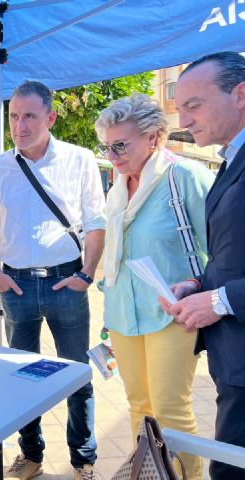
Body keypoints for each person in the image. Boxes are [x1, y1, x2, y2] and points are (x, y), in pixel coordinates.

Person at [0, 80, 105, 480]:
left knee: (76, 375)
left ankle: (83, 460)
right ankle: (31, 455)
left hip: (67, 281)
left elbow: (97, 222)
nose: (19, 125)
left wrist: (87, 274)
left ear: (50, 117)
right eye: (14, 116)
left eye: (29, 115)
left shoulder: (79, 159)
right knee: (23, 378)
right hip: (16, 287)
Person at [96, 93, 214, 480]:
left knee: (170, 412)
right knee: (139, 407)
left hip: (173, 314)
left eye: (121, 145)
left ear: (154, 137)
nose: (112, 155)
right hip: (122, 314)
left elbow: (222, 248)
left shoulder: (186, 177)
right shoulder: (118, 184)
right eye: (107, 146)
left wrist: (198, 285)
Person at [161, 51, 245, 480]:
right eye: (180, 109)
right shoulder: (231, 158)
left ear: (241, 95)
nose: (185, 119)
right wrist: (199, 285)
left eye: (194, 105)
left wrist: (222, 300)